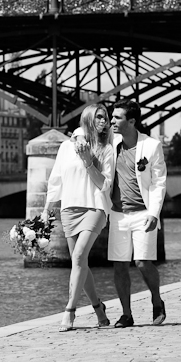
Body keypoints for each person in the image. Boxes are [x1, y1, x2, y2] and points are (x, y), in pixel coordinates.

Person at [41, 104, 115, 332]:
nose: (104, 120)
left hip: (95, 208)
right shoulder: (66, 146)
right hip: (70, 209)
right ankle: (98, 308)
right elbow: (56, 179)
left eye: (106, 117)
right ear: (88, 118)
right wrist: (46, 209)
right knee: (80, 262)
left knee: (80, 256)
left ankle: (69, 311)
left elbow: (104, 184)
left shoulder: (107, 149)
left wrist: (87, 161)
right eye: (99, 116)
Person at [108, 99, 167, 328]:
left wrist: (154, 212)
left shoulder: (152, 146)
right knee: (119, 265)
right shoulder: (111, 144)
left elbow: (159, 182)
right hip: (118, 214)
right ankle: (126, 314)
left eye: (117, 117)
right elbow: (87, 132)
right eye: (112, 117)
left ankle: (156, 300)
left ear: (132, 121)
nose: (112, 121)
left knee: (142, 262)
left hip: (143, 213)